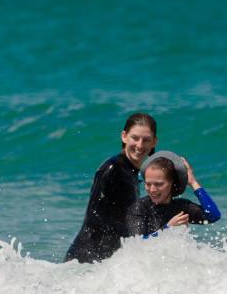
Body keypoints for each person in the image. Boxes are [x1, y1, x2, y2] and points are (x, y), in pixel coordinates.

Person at [64, 112, 158, 263]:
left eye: (146, 140)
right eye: (135, 138)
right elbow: (95, 217)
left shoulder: (132, 173)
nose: (140, 145)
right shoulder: (113, 169)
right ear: (124, 136)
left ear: (154, 142)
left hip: (104, 262)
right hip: (86, 258)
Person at [126, 153, 221, 237]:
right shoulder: (139, 207)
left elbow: (213, 216)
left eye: (159, 184)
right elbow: (137, 243)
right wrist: (168, 228)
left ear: (172, 183)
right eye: (148, 184)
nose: (152, 190)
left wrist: (193, 182)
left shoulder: (182, 207)